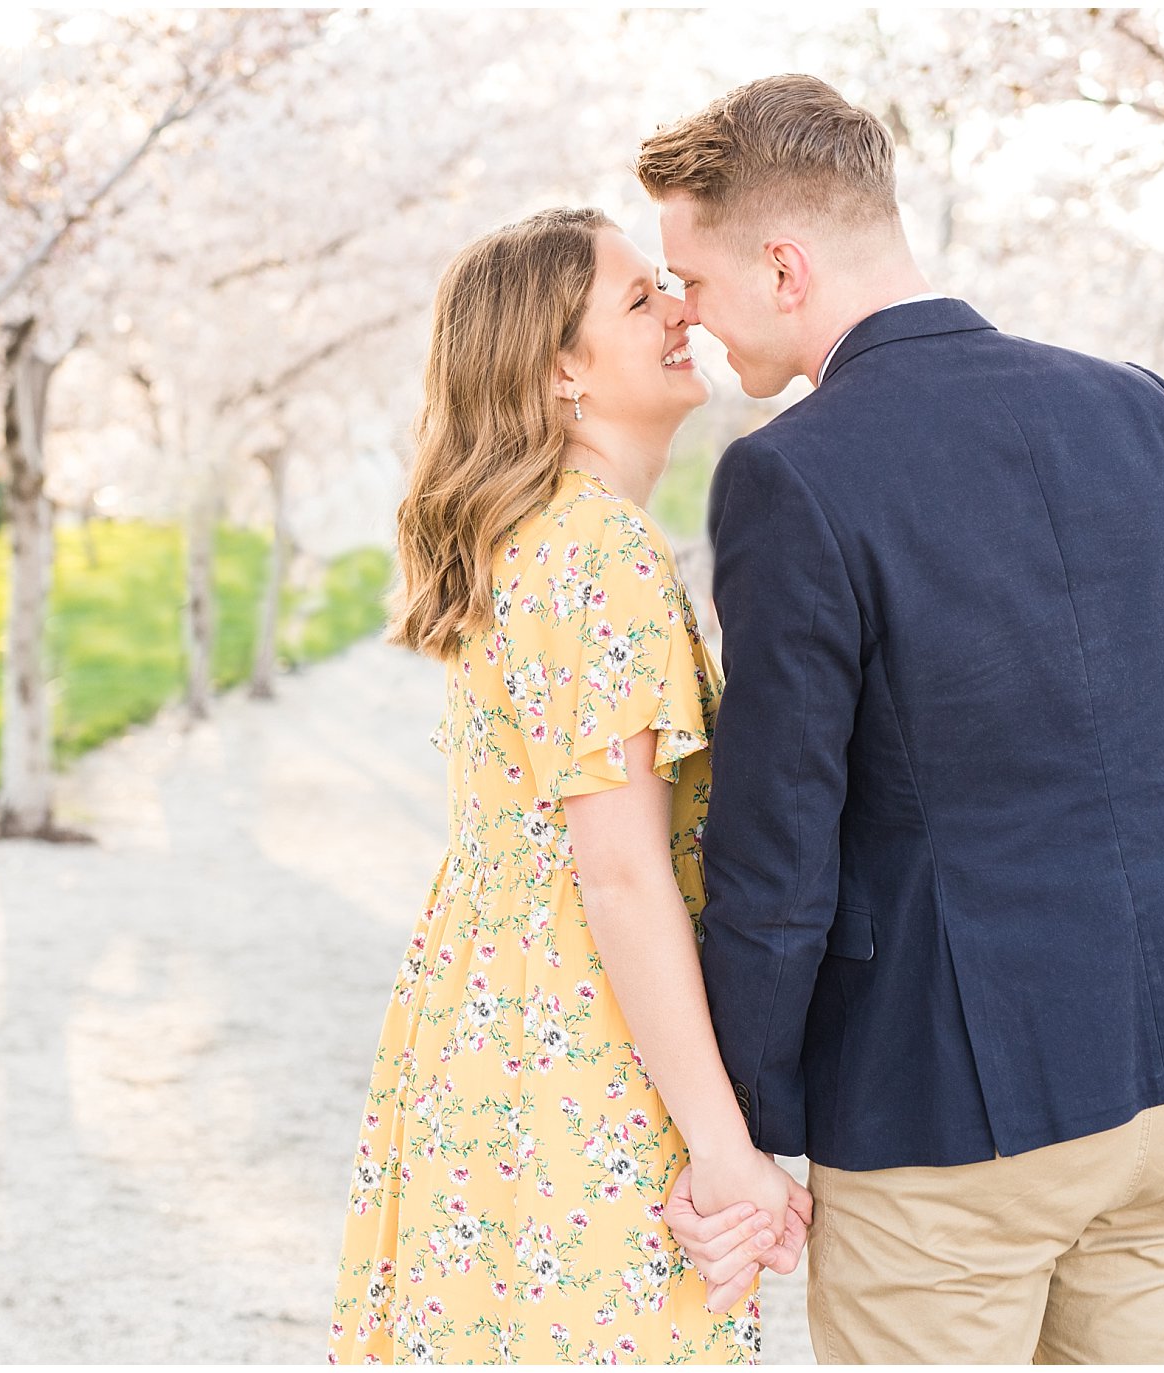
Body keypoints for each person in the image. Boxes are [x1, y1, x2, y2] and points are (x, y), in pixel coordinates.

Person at [636, 74, 1164, 1363]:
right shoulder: (1145, 409)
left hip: (950, 1103)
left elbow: (778, 850)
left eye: (696, 280)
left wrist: (744, 1115)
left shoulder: (790, 472)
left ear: (782, 265)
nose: (688, 315)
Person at [326, 207, 808, 1365]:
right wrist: (721, 1144)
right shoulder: (602, 552)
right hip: (577, 1038)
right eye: (641, 300)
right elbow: (622, 870)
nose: (681, 308)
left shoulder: (532, 539)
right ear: (557, 370)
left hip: (483, 1021)